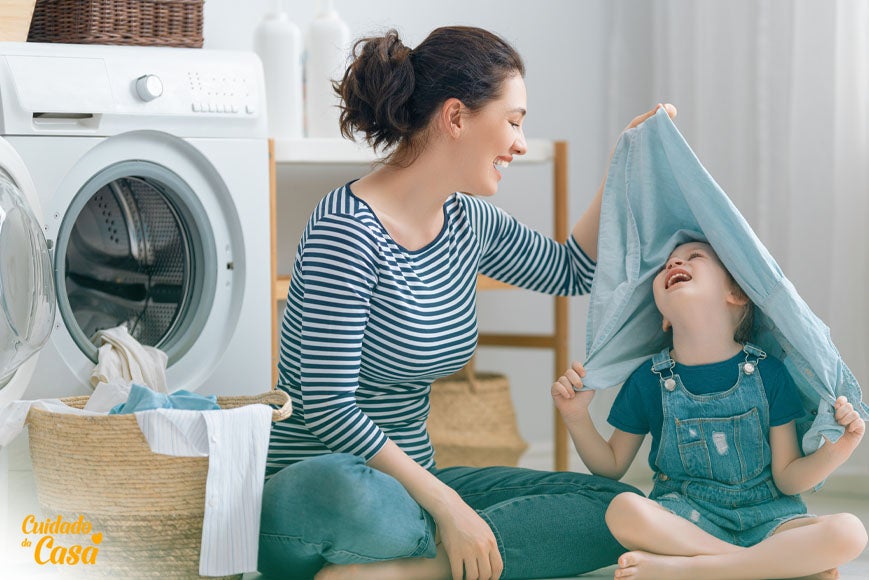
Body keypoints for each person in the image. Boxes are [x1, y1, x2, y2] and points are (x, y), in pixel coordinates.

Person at [257, 25, 675, 580]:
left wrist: (626, 159)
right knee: (349, 492)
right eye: (513, 121)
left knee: (614, 504)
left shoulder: (466, 220)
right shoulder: (346, 230)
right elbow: (330, 407)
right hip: (322, 498)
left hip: (418, 488)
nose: (520, 144)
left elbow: (573, 268)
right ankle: (445, 543)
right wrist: (451, 507)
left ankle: (408, 570)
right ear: (455, 118)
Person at [552, 240, 868, 580]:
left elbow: (789, 478)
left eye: (694, 257)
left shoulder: (770, 374)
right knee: (622, 510)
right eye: (666, 265)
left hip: (770, 520)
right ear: (663, 319)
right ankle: (762, 566)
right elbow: (611, 465)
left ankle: (695, 569)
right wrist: (576, 417)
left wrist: (841, 448)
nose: (673, 264)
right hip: (686, 520)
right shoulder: (648, 379)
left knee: (850, 532)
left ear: (736, 294)